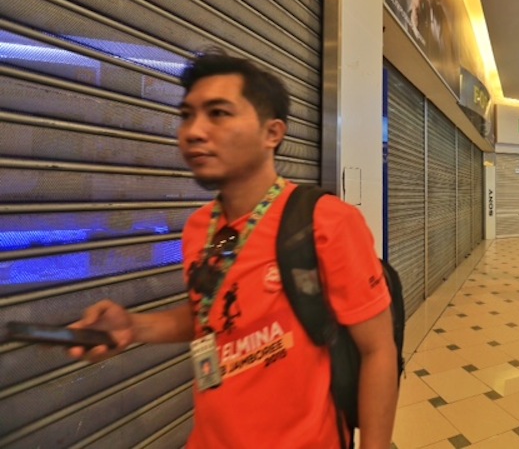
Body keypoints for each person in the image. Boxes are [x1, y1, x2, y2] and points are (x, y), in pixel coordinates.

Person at [68, 50, 399, 448]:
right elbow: (211, 319)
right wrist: (133, 327)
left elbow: (378, 350)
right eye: (187, 115)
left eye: (218, 113)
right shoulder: (199, 228)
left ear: (272, 133)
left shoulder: (325, 221)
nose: (193, 131)